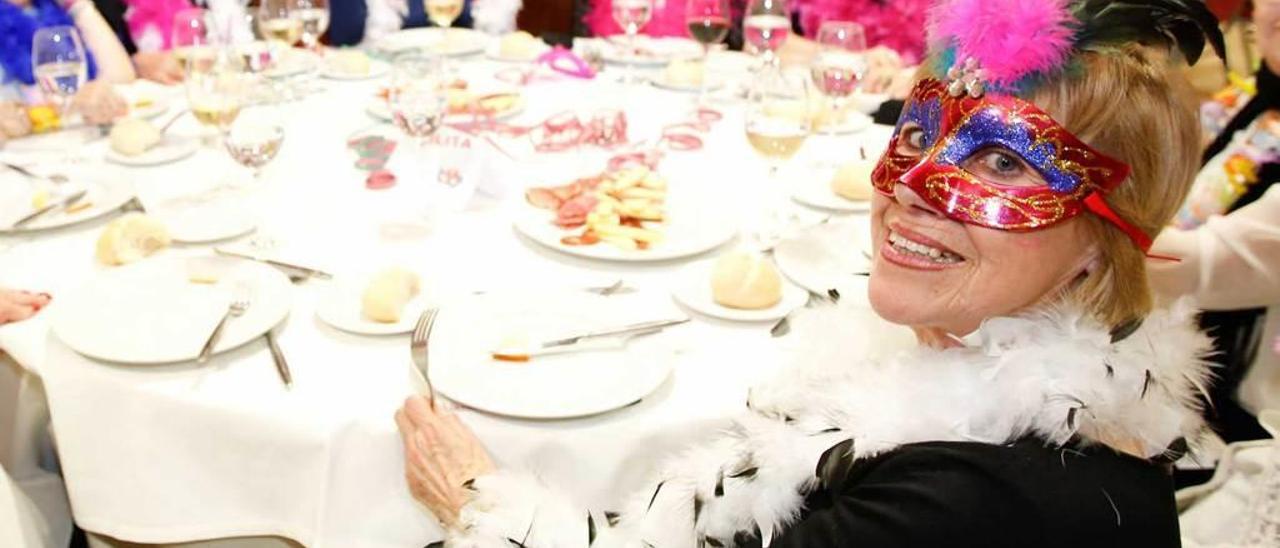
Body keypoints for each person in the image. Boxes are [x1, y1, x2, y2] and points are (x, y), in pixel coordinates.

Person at [396, 0, 1224, 545]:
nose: (910, 185)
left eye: (1003, 163)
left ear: (1101, 241)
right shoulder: (955, 368)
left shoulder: (969, 505)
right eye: (917, 129)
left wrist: (485, 503)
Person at [1149, 0, 1280, 446]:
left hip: (1252, 431)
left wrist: (1079, 229)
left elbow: (1212, 263)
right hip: (1182, 385)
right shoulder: (1245, 105)